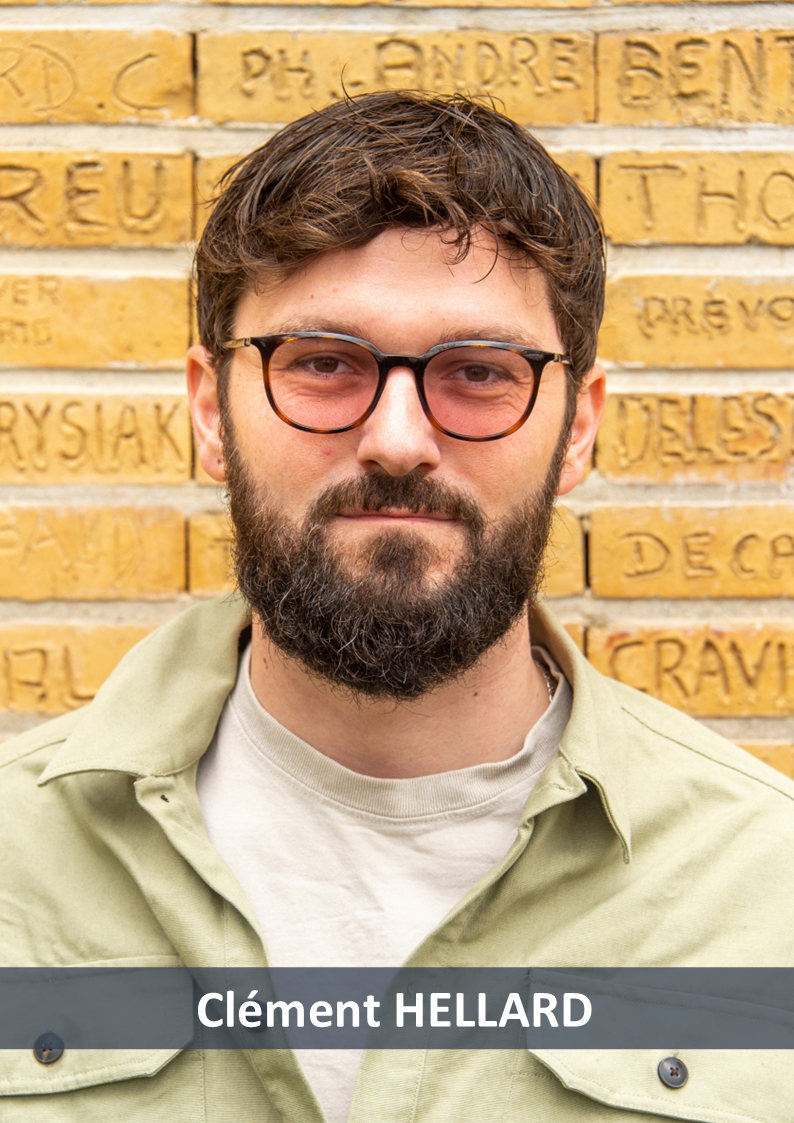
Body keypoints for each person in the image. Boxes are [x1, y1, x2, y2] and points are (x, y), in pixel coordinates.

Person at [1, 91, 793, 1122]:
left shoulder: (765, 883)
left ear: (577, 428)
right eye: (324, 363)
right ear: (210, 410)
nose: (399, 440)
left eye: (479, 372)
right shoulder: (16, 855)